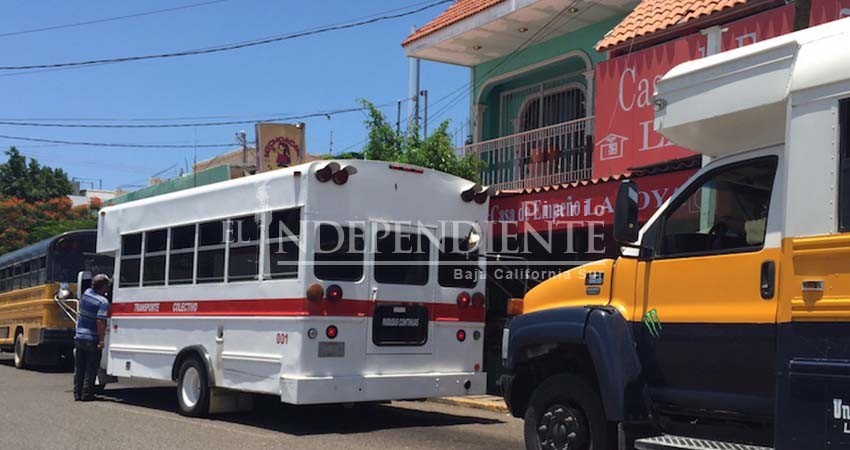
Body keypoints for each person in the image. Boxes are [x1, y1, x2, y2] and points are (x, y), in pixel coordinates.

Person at [74, 274, 110, 401]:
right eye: (107, 285)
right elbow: (100, 321)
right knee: (91, 367)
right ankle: (87, 394)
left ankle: (77, 393)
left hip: (79, 336)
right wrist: (101, 340)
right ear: (103, 286)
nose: (108, 288)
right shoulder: (103, 302)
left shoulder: (86, 293)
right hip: (92, 338)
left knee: (80, 367)